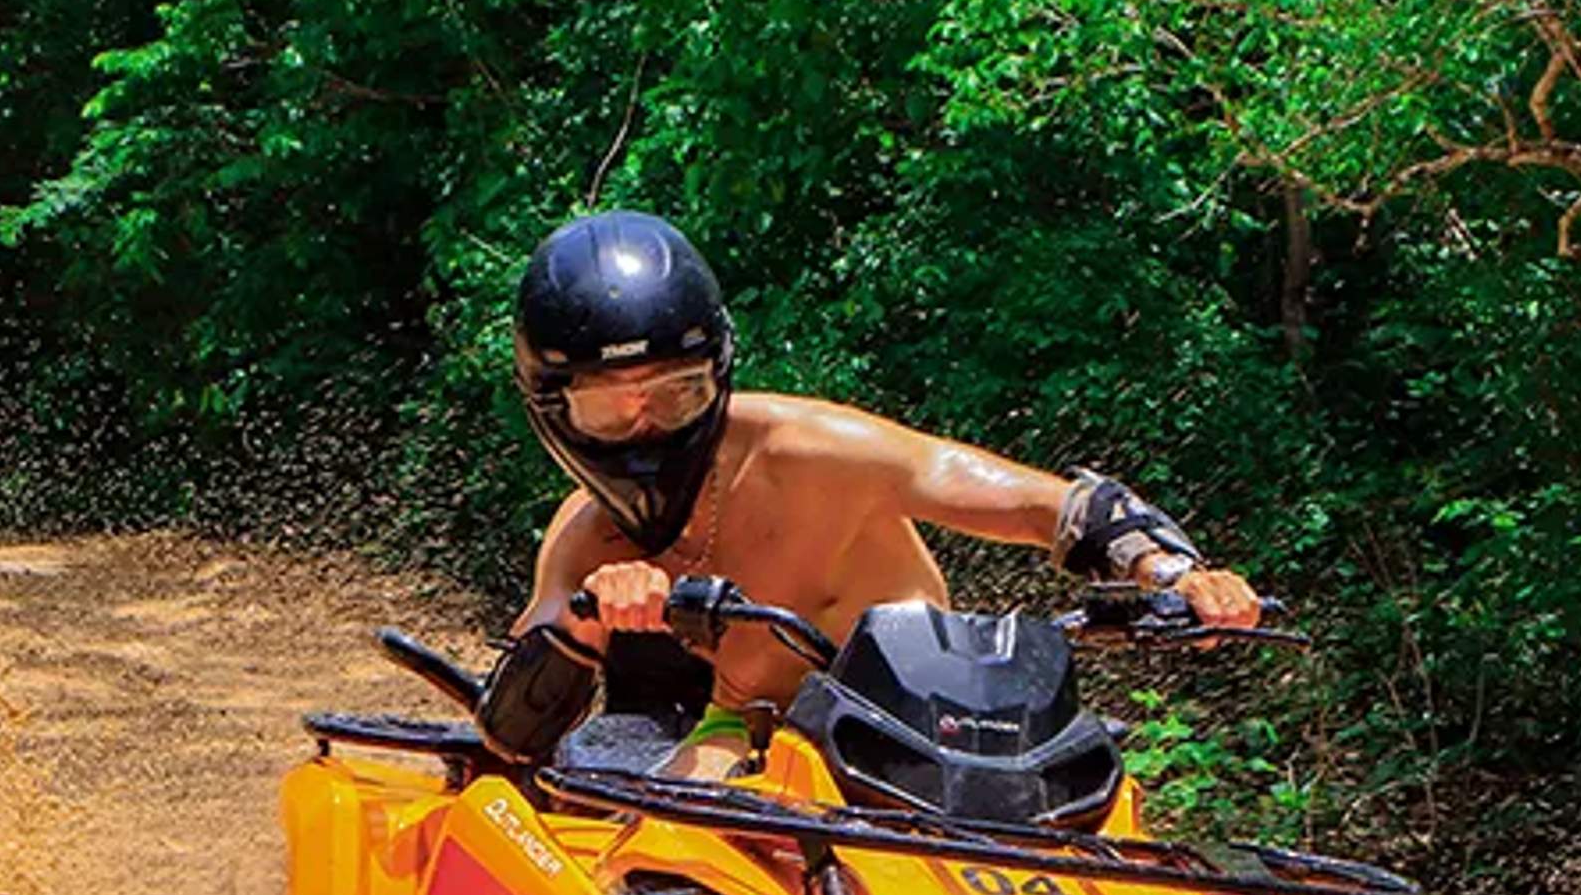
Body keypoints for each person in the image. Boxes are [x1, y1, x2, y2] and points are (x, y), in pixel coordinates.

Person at [476, 209, 1262, 772]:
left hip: (951, 736)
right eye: (612, 404)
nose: (646, 425)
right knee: (645, 872)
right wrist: (589, 622)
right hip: (753, 745)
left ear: (717, 375)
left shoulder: (820, 454)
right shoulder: (587, 541)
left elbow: (1045, 506)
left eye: (675, 392)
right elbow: (510, 734)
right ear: (553, 406)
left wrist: (1178, 577)